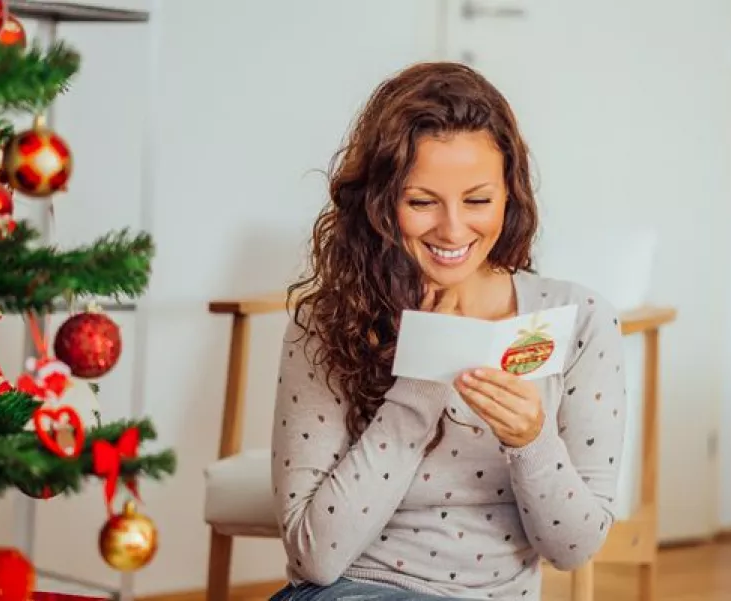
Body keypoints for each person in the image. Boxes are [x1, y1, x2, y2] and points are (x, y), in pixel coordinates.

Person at [268, 62, 627, 600]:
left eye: (478, 200)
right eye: (421, 202)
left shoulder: (578, 321)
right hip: (355, 590)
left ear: (511, 195)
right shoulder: (329, 321)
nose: (453, 230)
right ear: (380, 203)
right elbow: (314, 556)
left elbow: (572, 550)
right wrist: (424, 379)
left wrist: (531, 441)